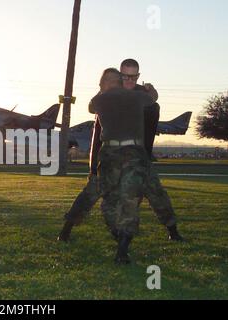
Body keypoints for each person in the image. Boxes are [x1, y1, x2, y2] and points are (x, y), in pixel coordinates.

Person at [58, 59, 183, 243]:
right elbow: (97, 128)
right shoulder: (107, 95)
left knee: (156, 192)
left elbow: (152, 115)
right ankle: (67, 228)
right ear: (119, 76)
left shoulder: (141, 95)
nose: (129, 80)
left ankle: (172, 230)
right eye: (125, 76)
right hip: (108, 154)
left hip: (139, 155)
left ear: (138, 76)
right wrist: (93, 165)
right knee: (92, 192)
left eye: (133, 77)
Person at [89, 68, 153, 263]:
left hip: (110, 154)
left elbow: (91, 106)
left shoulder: (100, 100)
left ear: (106, 83)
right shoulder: (138, 97)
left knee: (109, 202)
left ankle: (122, 243)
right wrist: (149, 89)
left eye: (101, 84)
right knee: (129, 201)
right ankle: (123, 247)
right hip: (133, 153)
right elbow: (152, 99)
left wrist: (105, 90)